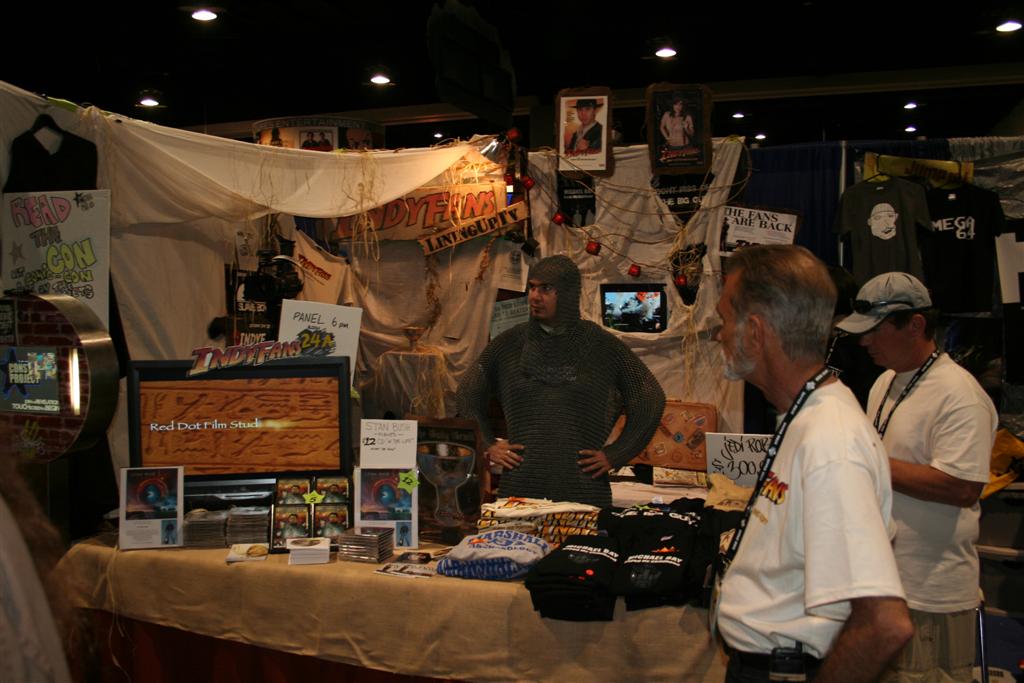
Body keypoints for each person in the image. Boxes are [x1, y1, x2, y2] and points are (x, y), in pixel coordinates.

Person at [714, 245, 912, 683]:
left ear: (756, 333)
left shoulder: (829, 440)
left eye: (725, 320)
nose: (720, 335)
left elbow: (884, 624)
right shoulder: (806, 417)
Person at [837, 272, 997, 683]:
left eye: (875, 330)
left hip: (932, 593)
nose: (865, 342)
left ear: (916, 324)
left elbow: (962, 487)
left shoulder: (960, 395)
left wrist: (867, 459)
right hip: (885, 581)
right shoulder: (884, 383)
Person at [456, 254, 665, 508]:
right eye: (532, 287)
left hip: (582, 488)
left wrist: (616, 454)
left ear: (566, 293)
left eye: (546, 288)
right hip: (522, 486)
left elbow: (649, 398)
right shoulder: (510, 344)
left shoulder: (601, 345)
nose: (535, 296)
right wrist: (488, 444)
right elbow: (468, 393)